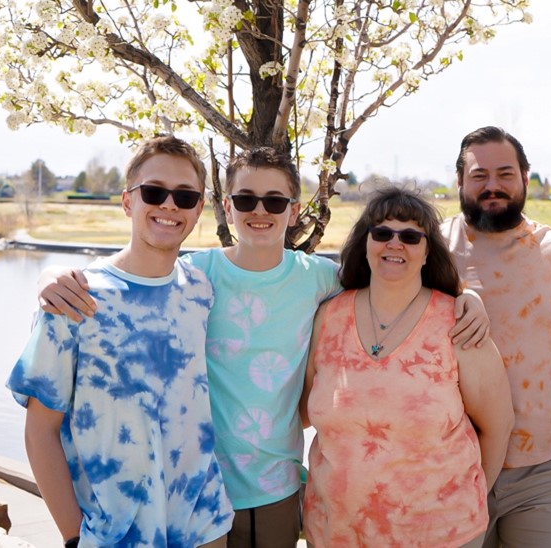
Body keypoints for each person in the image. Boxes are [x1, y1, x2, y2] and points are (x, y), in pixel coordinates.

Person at [37, 147, 491, 547]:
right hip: (199, 490)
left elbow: (390, 277)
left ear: (293, 210)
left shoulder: (319, 279)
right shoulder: (196, 276)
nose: (260, 211)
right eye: (245, 200)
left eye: (274, 201)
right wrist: (52, 276)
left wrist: (466, 295)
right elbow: (134, 275)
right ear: (227, 207)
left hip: (278, 488)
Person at [6, 136, 234, 546]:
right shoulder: (75, 299)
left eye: (184, 196)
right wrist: (74, 537)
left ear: (199, 208)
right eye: (154, 192)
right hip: (116, 535)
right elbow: (40, 432)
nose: (169, 205)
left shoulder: (200, 288)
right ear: (128, 201)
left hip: (205, 526)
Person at [300, 186, 513, 547]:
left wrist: (468, 495)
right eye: (382, 233)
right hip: (335, 533)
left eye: (411, 236)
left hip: (442, 535)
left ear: (428, 251)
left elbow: (498, 425)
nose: (395, 244)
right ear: (366, 243)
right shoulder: (328, 318)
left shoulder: (458, 323)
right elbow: (304, 411)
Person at [441, 126, 551, 548]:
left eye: (505, 174)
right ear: (459, 181)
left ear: (526, 177)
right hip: (449, 468)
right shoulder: (429, 250)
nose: (493, 186)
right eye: (479, 175)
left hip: (546, 472)